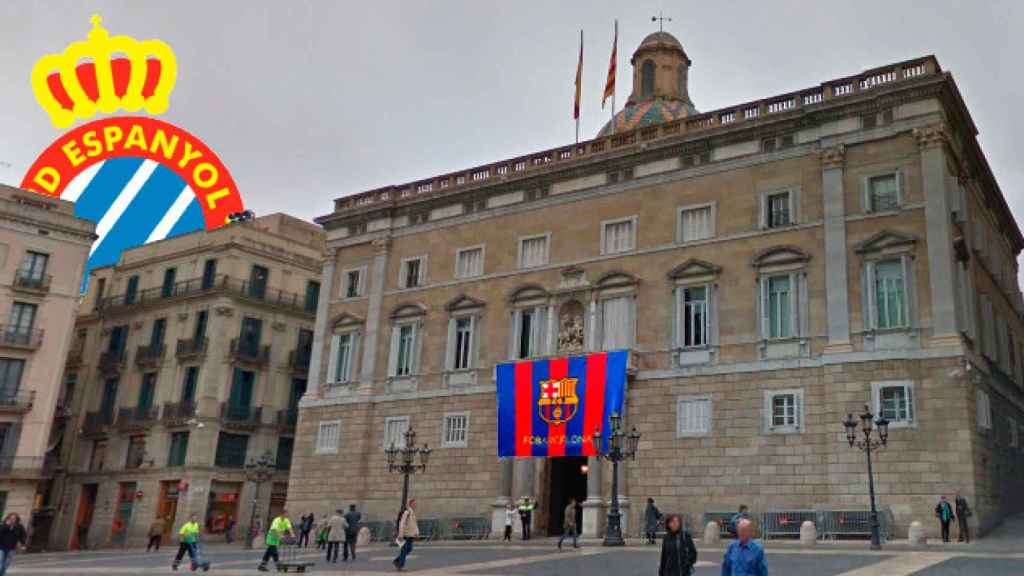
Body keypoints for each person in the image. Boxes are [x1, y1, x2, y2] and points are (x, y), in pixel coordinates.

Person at [393, 499, 420, 572]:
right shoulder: (406, 512)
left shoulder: (413, 513)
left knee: (409, 549)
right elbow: (402, 523)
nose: (416, 505)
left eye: (416, 504)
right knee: (404, 550)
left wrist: (417, 533)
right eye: (414, 504)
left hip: (410, 535)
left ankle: (396, 561)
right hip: (405, 535)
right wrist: (400, 535)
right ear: (410, 504)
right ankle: (400, 565)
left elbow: (414, 524)